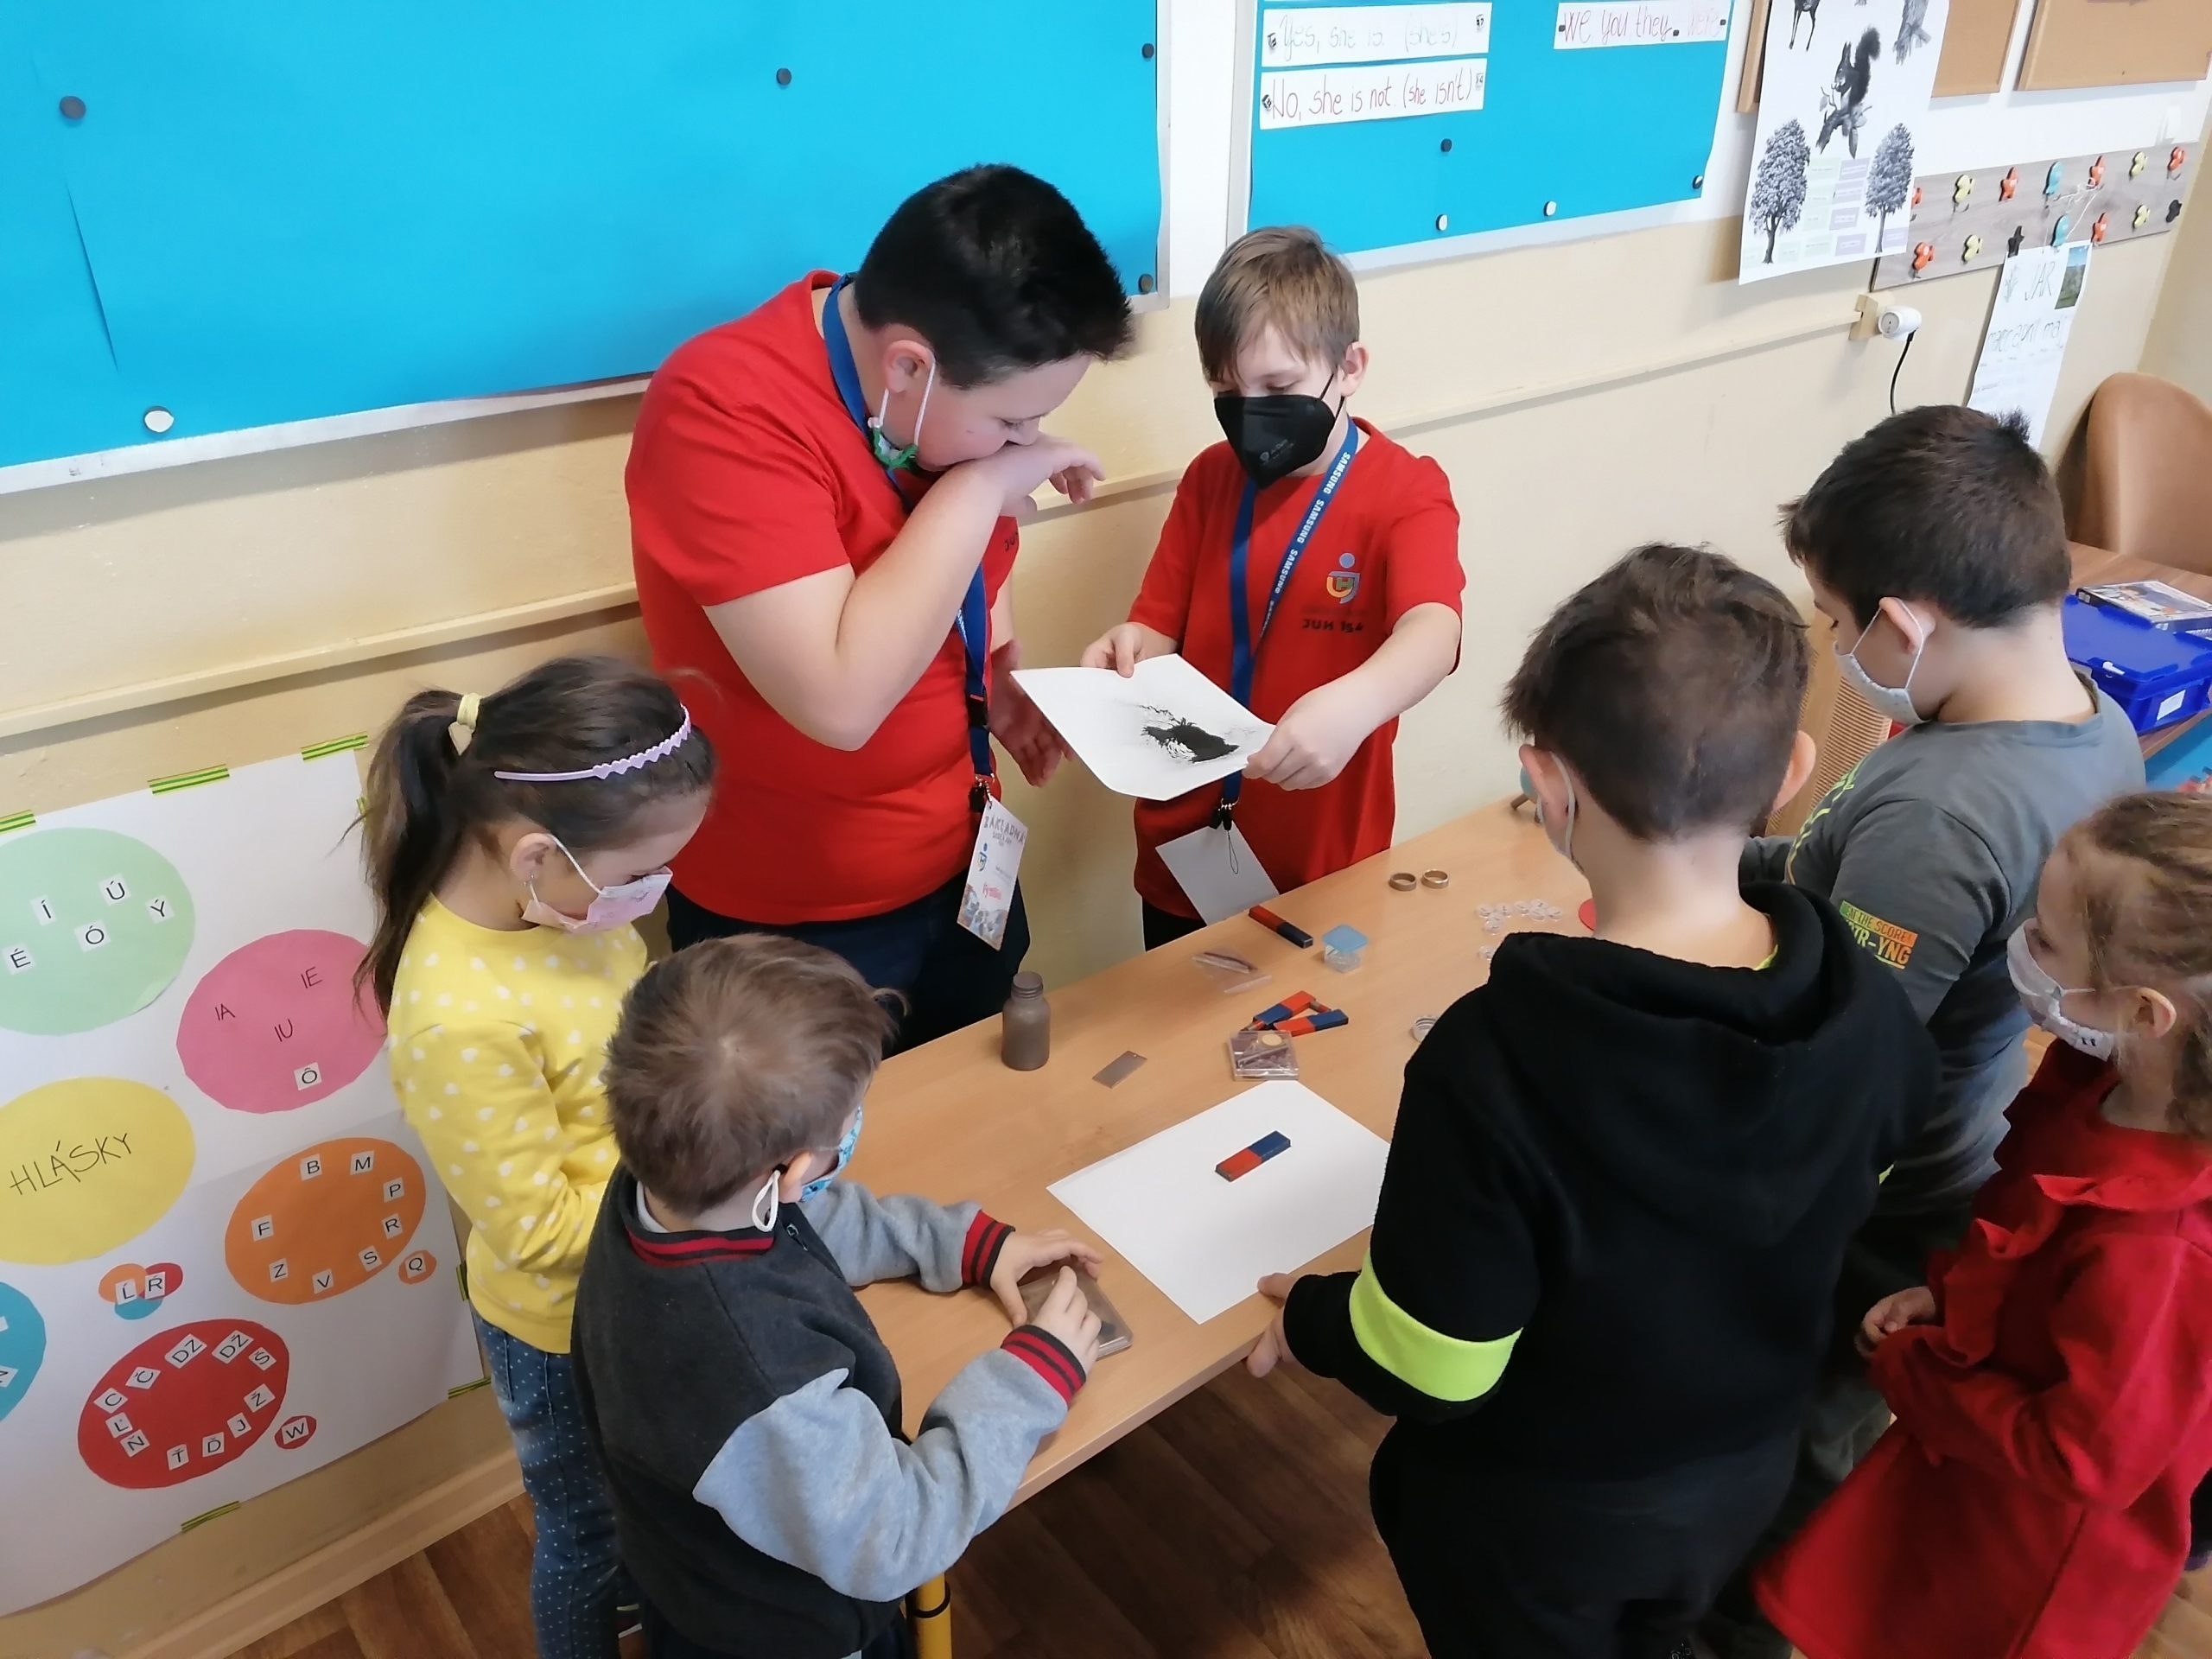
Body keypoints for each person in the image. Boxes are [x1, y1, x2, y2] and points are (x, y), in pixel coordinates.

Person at [1246, 544, 1938, 1658]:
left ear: (1549, 786)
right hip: (1742, 1473)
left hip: (1540, 1529)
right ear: (1794, 771)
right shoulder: (1873, 1015)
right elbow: (1856, 1192)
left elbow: (1433, 1366)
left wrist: (1314, 1320)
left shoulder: (1493, 1063)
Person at [1703, 406, 2146, 1658]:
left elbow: (1835, 1053)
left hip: (1873, 1201)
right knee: (1830, 1417)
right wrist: (1715, 854)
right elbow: (1835, 865)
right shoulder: (2091, 722)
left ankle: (1740, 1628)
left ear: (1901, 626)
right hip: (1964, 1142)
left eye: (1835, 622)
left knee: (1802, 1433)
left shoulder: (1940, 818)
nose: (1836, 647)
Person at [629, 164, 1134, 1048]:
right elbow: (839, 701)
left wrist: (992, 675)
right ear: (909, 366)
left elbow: (947, 569)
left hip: (963, 860)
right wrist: (983, 486)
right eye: (1011, 422)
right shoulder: (721, 409)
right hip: (801, 922)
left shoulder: (917, 414)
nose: (1028, 443)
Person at [1758, 791, 2212, 1659]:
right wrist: (1955, 1305)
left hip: (2019, 1568)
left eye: (2047, 941)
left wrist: (1914, 1372)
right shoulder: (2108, 1087)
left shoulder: (2160, 1251)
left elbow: (2082, 1458)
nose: (2021, 948)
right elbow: (2035, 1257)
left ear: (2144, 1013)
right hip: (1972, 1473)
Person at [571, 934, 1105, 1659]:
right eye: (849, 1120)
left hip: (693, 1568)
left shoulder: (665, 1185)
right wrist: (1031, 1377)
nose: (853, 1129)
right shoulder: (760, 1379)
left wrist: (967, 1245)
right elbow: (900, 1535)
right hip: (782, 1633)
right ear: (790, 1170)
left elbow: (808, 1219)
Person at [361, 656, 715, 1659]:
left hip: (650, 1268)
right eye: (639, 874)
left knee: (646, 1503)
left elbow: (628, 1041)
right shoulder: (458, 1016)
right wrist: (716, 1183)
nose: (651, 895)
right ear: (534, 857)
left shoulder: (567, 912)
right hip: (562, 1328)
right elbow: (542, 1232)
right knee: (585, 1536)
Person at [1077, 226, 1462, 949]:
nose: (1251, 411)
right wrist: (1130, 648)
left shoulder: (1405, 492)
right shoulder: (1209, 480)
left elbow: (1434, 631)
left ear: (1349, 367)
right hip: (1187, 851)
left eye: (1279, 387)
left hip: (1323, 864)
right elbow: (1157, 627)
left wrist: (1357, 703)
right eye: (1227, 392)